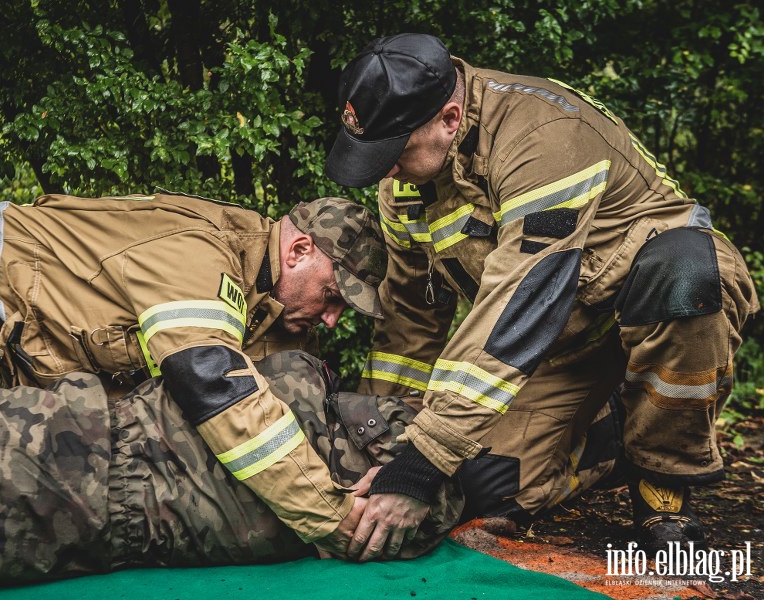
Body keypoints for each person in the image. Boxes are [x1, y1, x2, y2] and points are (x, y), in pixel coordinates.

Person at [323, 33, 759, 558]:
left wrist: (421, 463)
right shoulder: (404, 187)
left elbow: (521, 302)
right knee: (482, 486)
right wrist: (390, 437)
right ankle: (615, 429)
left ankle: (661, 479)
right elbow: (411, 317)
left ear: (450, 119)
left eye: (394, 152)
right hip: (557, 349)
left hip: (649, 305)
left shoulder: (545, 137)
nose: (386, 172)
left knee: (687, 274)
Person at [0, 191, 388, 556]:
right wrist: (328, 516)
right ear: (298, 251)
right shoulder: (201, 254)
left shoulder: (282, 314)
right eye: (333, 297)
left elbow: (293, 413)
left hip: (63, 356)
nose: (332, 318)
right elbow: (213, 385)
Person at [0, 350, 465, 596]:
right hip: (13, 510)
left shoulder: (281, 373)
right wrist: (441, 486)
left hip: (11, 418)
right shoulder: (326, 504)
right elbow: (378, 525)